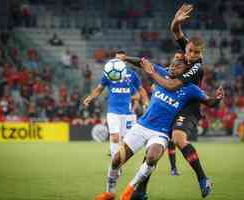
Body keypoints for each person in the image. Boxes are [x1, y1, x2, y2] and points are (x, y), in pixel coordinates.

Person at [94, 57, 224, 200]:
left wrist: (217, 98)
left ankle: (129, 190)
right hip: (142, 126)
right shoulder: (163, 73)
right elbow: (143, 63)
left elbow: (209, 102)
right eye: (172, 65)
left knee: (151, 158)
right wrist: (126, 59)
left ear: (186, 71)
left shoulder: (191, 89)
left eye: (177, 66)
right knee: (116, 160)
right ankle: (109, 192)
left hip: (161, 133)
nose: (172, 67)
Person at [132, 4, 220, 199]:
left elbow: (172, 86)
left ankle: (202, 179)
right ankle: (141, 190)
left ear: (201, 54)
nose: (191, 55)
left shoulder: (196, 68)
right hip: (172, 104)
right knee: (153, 147)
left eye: (195, 53)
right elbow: (175, 31)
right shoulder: (187, 51)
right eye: (189, 51)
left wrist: (152, 73)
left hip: (188, 106)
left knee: (179, 138)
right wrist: (176, 21)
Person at [83, 51, 148, 161]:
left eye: (120, 58)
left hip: (128, 114)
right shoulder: (109, 74)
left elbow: (140, 91)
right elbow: (99, 89)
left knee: (126, 141)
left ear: (125, 60)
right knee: (115, 137)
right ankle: (115, 163)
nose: (117, 60)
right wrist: (90, 97)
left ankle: (120, 158)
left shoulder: (132, 75)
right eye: (116, 58)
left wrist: (146, 102)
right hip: (113, 111)